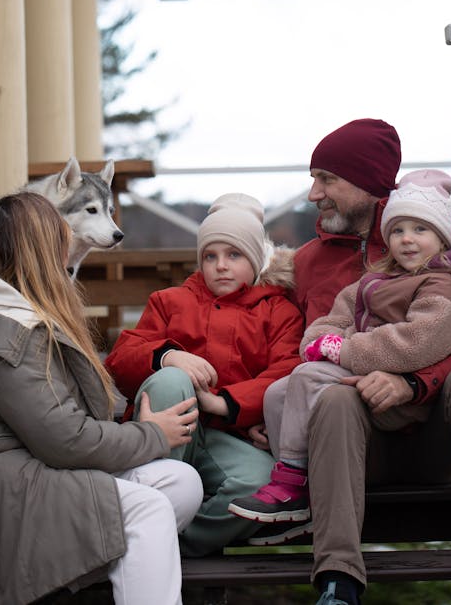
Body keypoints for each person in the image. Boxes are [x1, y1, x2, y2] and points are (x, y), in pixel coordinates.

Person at [243, 119, 451, 605]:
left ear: (367, 184)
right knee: (334, 403)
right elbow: (288, 348)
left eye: (326, 179)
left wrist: (413, 382)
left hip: (435, 434)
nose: (312, 194)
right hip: (348, 442)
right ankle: (336, 586)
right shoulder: (309, 262)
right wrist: (261, 413)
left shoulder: (435, 238)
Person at [0, 191, 204, 605]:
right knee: (147, 511)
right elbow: (66, 440)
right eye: (60, 235)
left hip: (18, 471)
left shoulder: (12, 310)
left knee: (181, 482)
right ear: (42, 251)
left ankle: (97, 579)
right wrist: (152, 435)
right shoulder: (4, 329)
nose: (69, 242)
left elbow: (59, 420)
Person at [228, 169, 451, 522]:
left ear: (442, 238)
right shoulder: (379, 278)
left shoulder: (444, 285)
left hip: (404, 391)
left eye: (420, 230)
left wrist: (343, 349)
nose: (407, 240)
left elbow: (416, 341)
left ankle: (294, 480)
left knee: (308, 378)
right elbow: (335, 316)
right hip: (362, 365)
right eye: (397, 231)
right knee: (278, 394)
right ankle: (293, 467)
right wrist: (320, 341)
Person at [105, 192, 305, 556]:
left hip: (224, 436)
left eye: (234, 255)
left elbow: (286, 370)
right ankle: (154, 500)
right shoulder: (170, 301)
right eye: (210, 256)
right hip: (166, 430)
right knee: (172, 379)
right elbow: (120, 359)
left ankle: (173, 544)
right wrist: (167, 357)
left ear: (256, 258)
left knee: (258, 483)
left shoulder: (278, 311)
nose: (221, 266)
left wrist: (226, 402)